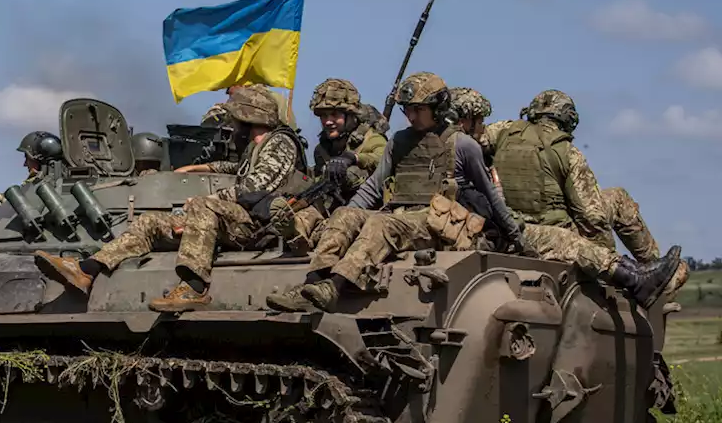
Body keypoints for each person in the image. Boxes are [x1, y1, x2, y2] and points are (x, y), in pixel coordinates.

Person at [268, 72, 526, 313]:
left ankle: (335, 287)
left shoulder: (462, 145)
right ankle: (311, 284)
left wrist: (514, 235)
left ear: (437, 108)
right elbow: (372, 188)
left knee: (382, 223)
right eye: (407, 110)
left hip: (434, 222)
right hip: (400, 214)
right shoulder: (399, 141)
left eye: (418, 110)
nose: (411, 117)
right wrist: (346, 215)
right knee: (345, 214)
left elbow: (489, 192)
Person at [34, 87, 304, 311]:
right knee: (150, 222)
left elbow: (257, 187)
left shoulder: (281, 143)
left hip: (260, 225)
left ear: (249, 118)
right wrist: (200, 168)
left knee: (201, 204)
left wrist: (208, 199)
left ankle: (194, 288)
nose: (231, 126)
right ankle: (86, 269)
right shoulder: (257, 147)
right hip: (235, 221)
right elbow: (239, 171)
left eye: (235, 120)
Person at [487, 88, 689, 298]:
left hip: (511, 225)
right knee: (618, 198)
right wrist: (605, 255)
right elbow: (591, 217)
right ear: (568, 119)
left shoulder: (502, 131)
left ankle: (653, 270)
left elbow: (473, 142)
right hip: (554, 233)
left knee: (613, 198)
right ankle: (653, 269)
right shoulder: (568, 152)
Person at [273, 78, 387, 254]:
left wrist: (353, 157)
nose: (328, 121)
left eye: (334, 115)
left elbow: (383, 158)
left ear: (350, 116)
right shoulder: (323, 149)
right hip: (332, 210)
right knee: (308, 213)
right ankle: (297, 233)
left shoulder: (371, 139)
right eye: (324, 116)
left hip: (368, 211)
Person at [0, 130, 64, 209]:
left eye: (27, 158)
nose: (25, 164)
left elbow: (5, 202)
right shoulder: (61, 182)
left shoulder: (37, 187)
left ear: (39, 160)